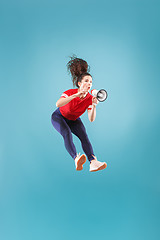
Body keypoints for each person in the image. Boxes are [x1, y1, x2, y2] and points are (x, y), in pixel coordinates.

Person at [51, 56, 107, 172]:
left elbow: (91, 119)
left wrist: (94, 105)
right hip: (59, 117)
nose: (89, 84)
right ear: (79, 83)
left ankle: (93, 162)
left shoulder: (90, 99)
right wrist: (75, 95)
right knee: (66, 133)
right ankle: (76, 158)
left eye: (91, 82)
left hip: (74, 120)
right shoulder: (70, 93)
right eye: (86, 81)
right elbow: (58, 104)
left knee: (84, 137)